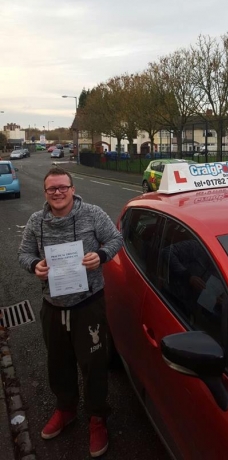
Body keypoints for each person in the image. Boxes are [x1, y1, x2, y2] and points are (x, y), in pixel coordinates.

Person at [18, 167, 123, 458]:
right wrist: (34, 265)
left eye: (63, 187)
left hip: (88, 304)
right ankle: (65, 409)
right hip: (53, 306)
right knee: (58, 363)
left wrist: (100, 256)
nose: (58, 192)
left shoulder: (92, 214)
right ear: (45, 193)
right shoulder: (36, 221)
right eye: (52, 189)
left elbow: (116, 239)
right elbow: (23, 253)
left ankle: (97, 417)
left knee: (94, 365)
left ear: (73, 189)